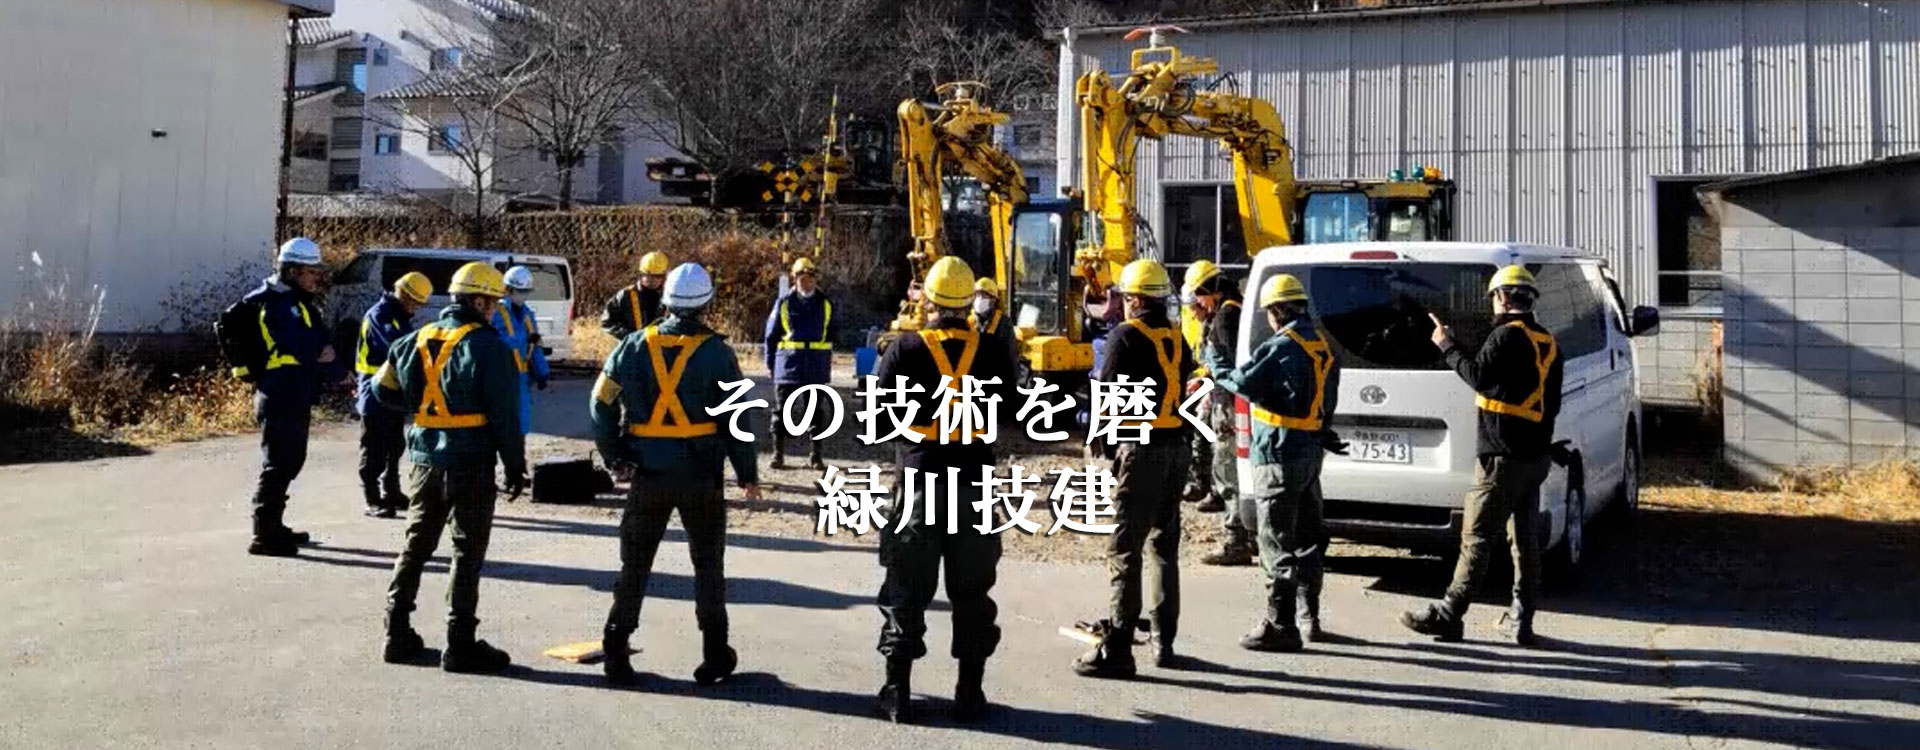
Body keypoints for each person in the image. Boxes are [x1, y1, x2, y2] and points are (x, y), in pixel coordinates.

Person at [594, 263, 763, 687]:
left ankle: (615, 650)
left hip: (648, 474)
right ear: (707, 304)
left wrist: (615, 454)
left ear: (666, 301)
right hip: (700, 475)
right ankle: (714, 655)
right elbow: (736, 418)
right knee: (708, 564)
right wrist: (747, 473)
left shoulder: (632, 345)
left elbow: (600, 403)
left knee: (634, 565)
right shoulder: (717, 353)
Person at [872, 256, 1017, 724]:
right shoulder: (993, 350)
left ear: (929, 301)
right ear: (970, 301)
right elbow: (1012, 413)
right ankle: (969, 694)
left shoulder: (904, 348)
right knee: (972, 592)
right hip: (972, 484)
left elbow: (879, 420)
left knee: (905, 588)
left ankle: (898, 692)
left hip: (920, 482)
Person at [374, 262, 529, 674]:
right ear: (477, 301)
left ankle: (396, 631)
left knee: (416, 545)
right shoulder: (491, 348)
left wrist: (420, 411)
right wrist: (515, 466)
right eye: (492, 303)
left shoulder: (411, 340)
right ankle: (460, 643)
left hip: (425, 460)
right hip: (470, 462)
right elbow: (505, 417)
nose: (495, 310)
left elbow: (380, 389)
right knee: (466, 550)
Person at [1401, 265, 1563, 647]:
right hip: (1534, 458)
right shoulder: (1548, 342)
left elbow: (1479, 377)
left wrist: (1446, 345)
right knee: (1524, 540)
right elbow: (1550, 404)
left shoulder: (1504, 336)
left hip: (1501, 458)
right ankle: (1522, 619)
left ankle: (1449, 614)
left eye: (1493, 298)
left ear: (1503, 297)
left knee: (1476, 536)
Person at [1073, 259, 1195, 679]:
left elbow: (1106, 394)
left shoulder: (1125, 336)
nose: (1121, 305)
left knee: (1126, 549)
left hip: (1141, 452)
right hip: (1176, 449)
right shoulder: (1176, 336)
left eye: (1125, 297)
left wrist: (1104, 448)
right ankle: (1164, 642)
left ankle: (1119, 647)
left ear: (1137, 300)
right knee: (1164, 547)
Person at [1215, 274, 1342, 651]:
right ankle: (1309, 617)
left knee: (1275, 540)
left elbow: (1243, 383)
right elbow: (1327, 402)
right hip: (1309, 455)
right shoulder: (1321, 344)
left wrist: (1216, 363)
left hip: (1278, 455)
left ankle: (1280, 624)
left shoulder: (1282, 346)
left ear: (1277, 311)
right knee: (1308, 539)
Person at [239, 237, 337, 556]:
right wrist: (318, 350)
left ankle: (275, 524)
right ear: (293, 271)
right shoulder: (275, 304)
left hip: (296, 392)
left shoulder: (300, 303)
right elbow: (299, 343)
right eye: (311, 272)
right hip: (279, 393)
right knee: (278, 463)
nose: (316, 278)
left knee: (291, 461)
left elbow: (321, 339)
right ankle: (263, 535)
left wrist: (329, 357)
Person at [1187, 261, 1256, 567]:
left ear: (1212, 290)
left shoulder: (1227, 316)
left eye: (1199, 295)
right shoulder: (1234, 310)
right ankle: (1248, 536)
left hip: (1228, 407)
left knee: (1228, 472)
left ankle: (1236, 541)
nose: (1199, 303)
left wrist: (1211, 381)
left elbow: (1233, 368)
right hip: (1227, 402)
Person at [354, 271, 432, 519]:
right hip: (374, 391)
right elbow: (396, 348)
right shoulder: (380, 316)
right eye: (415, 302)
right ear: (405, 296)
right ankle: (372, 498)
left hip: (393, 392)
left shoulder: (398, 317)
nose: (416, 308)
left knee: (395, 445)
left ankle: (392, 492)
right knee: (373, 448)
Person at [762, 256, 838, 470]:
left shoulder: (825, 303)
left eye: (810, 278)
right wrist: (771, 364)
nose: (807, 282)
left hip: (815, 367)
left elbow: (833, 331)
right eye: (802, 278)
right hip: (788, 366)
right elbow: (771, 335)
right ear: (795, 279)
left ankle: (816, 456)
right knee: (781, 411)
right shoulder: (784, 303)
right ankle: (778, 454)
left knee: (815, 413)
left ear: (816, 279)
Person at [494, 266, 552, 436]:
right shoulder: (496, 313)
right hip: (502, 376)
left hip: (522, 376)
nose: (523, 296)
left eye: (526, 292)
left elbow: (536, 345)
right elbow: (496, 341)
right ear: (508, 290)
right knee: (502, 423)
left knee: (521, 423)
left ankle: (518, 449)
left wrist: (542, 372)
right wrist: (523, 339)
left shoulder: (527, 314)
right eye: (520, 291)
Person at [601, 251, 670, 341]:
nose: (652, 280)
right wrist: (629, 337)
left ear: (664, 277)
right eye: (648, 276)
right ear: (641, 275)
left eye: (657, 276)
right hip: (632, 346)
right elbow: (607, 322)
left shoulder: (669, 297)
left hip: (660, 346)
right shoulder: (626, 295)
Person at [970, 276, 1018, 369]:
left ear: (993, 299)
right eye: (977, 295)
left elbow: (1011, 356)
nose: (979, 299)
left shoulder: (1003, 323)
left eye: (984, 296)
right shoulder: (967, 320)